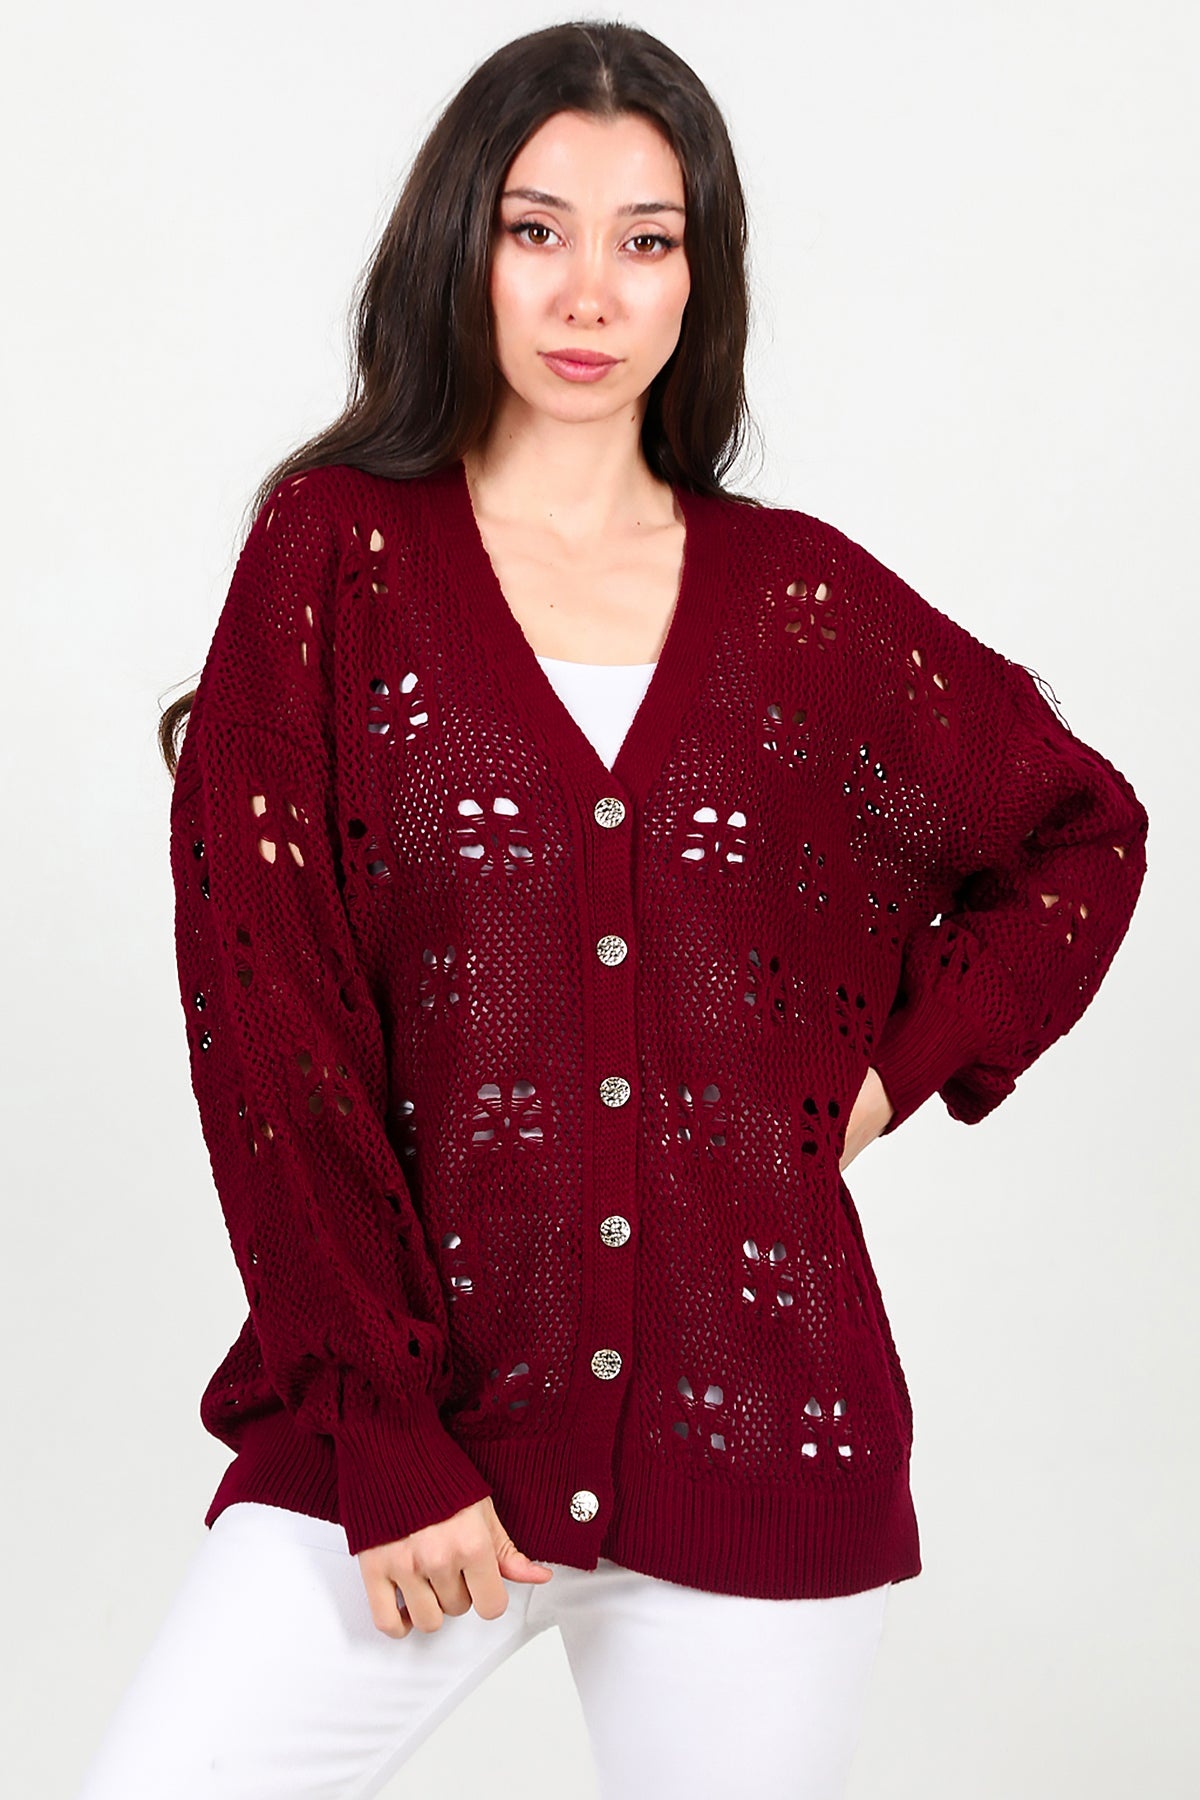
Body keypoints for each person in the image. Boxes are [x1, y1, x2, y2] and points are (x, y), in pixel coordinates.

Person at [77, 18, 1149, 1800]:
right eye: (537, 229)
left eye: (647, 239)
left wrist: (882, 1081)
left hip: (761, 1425)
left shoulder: (798, 604)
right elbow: (273, 1032)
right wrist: (384, 1433)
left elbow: (1081, 833)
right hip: (411, 1432)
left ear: (697, 277)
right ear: (462, 247)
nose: (591, 291)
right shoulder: (333, 558)